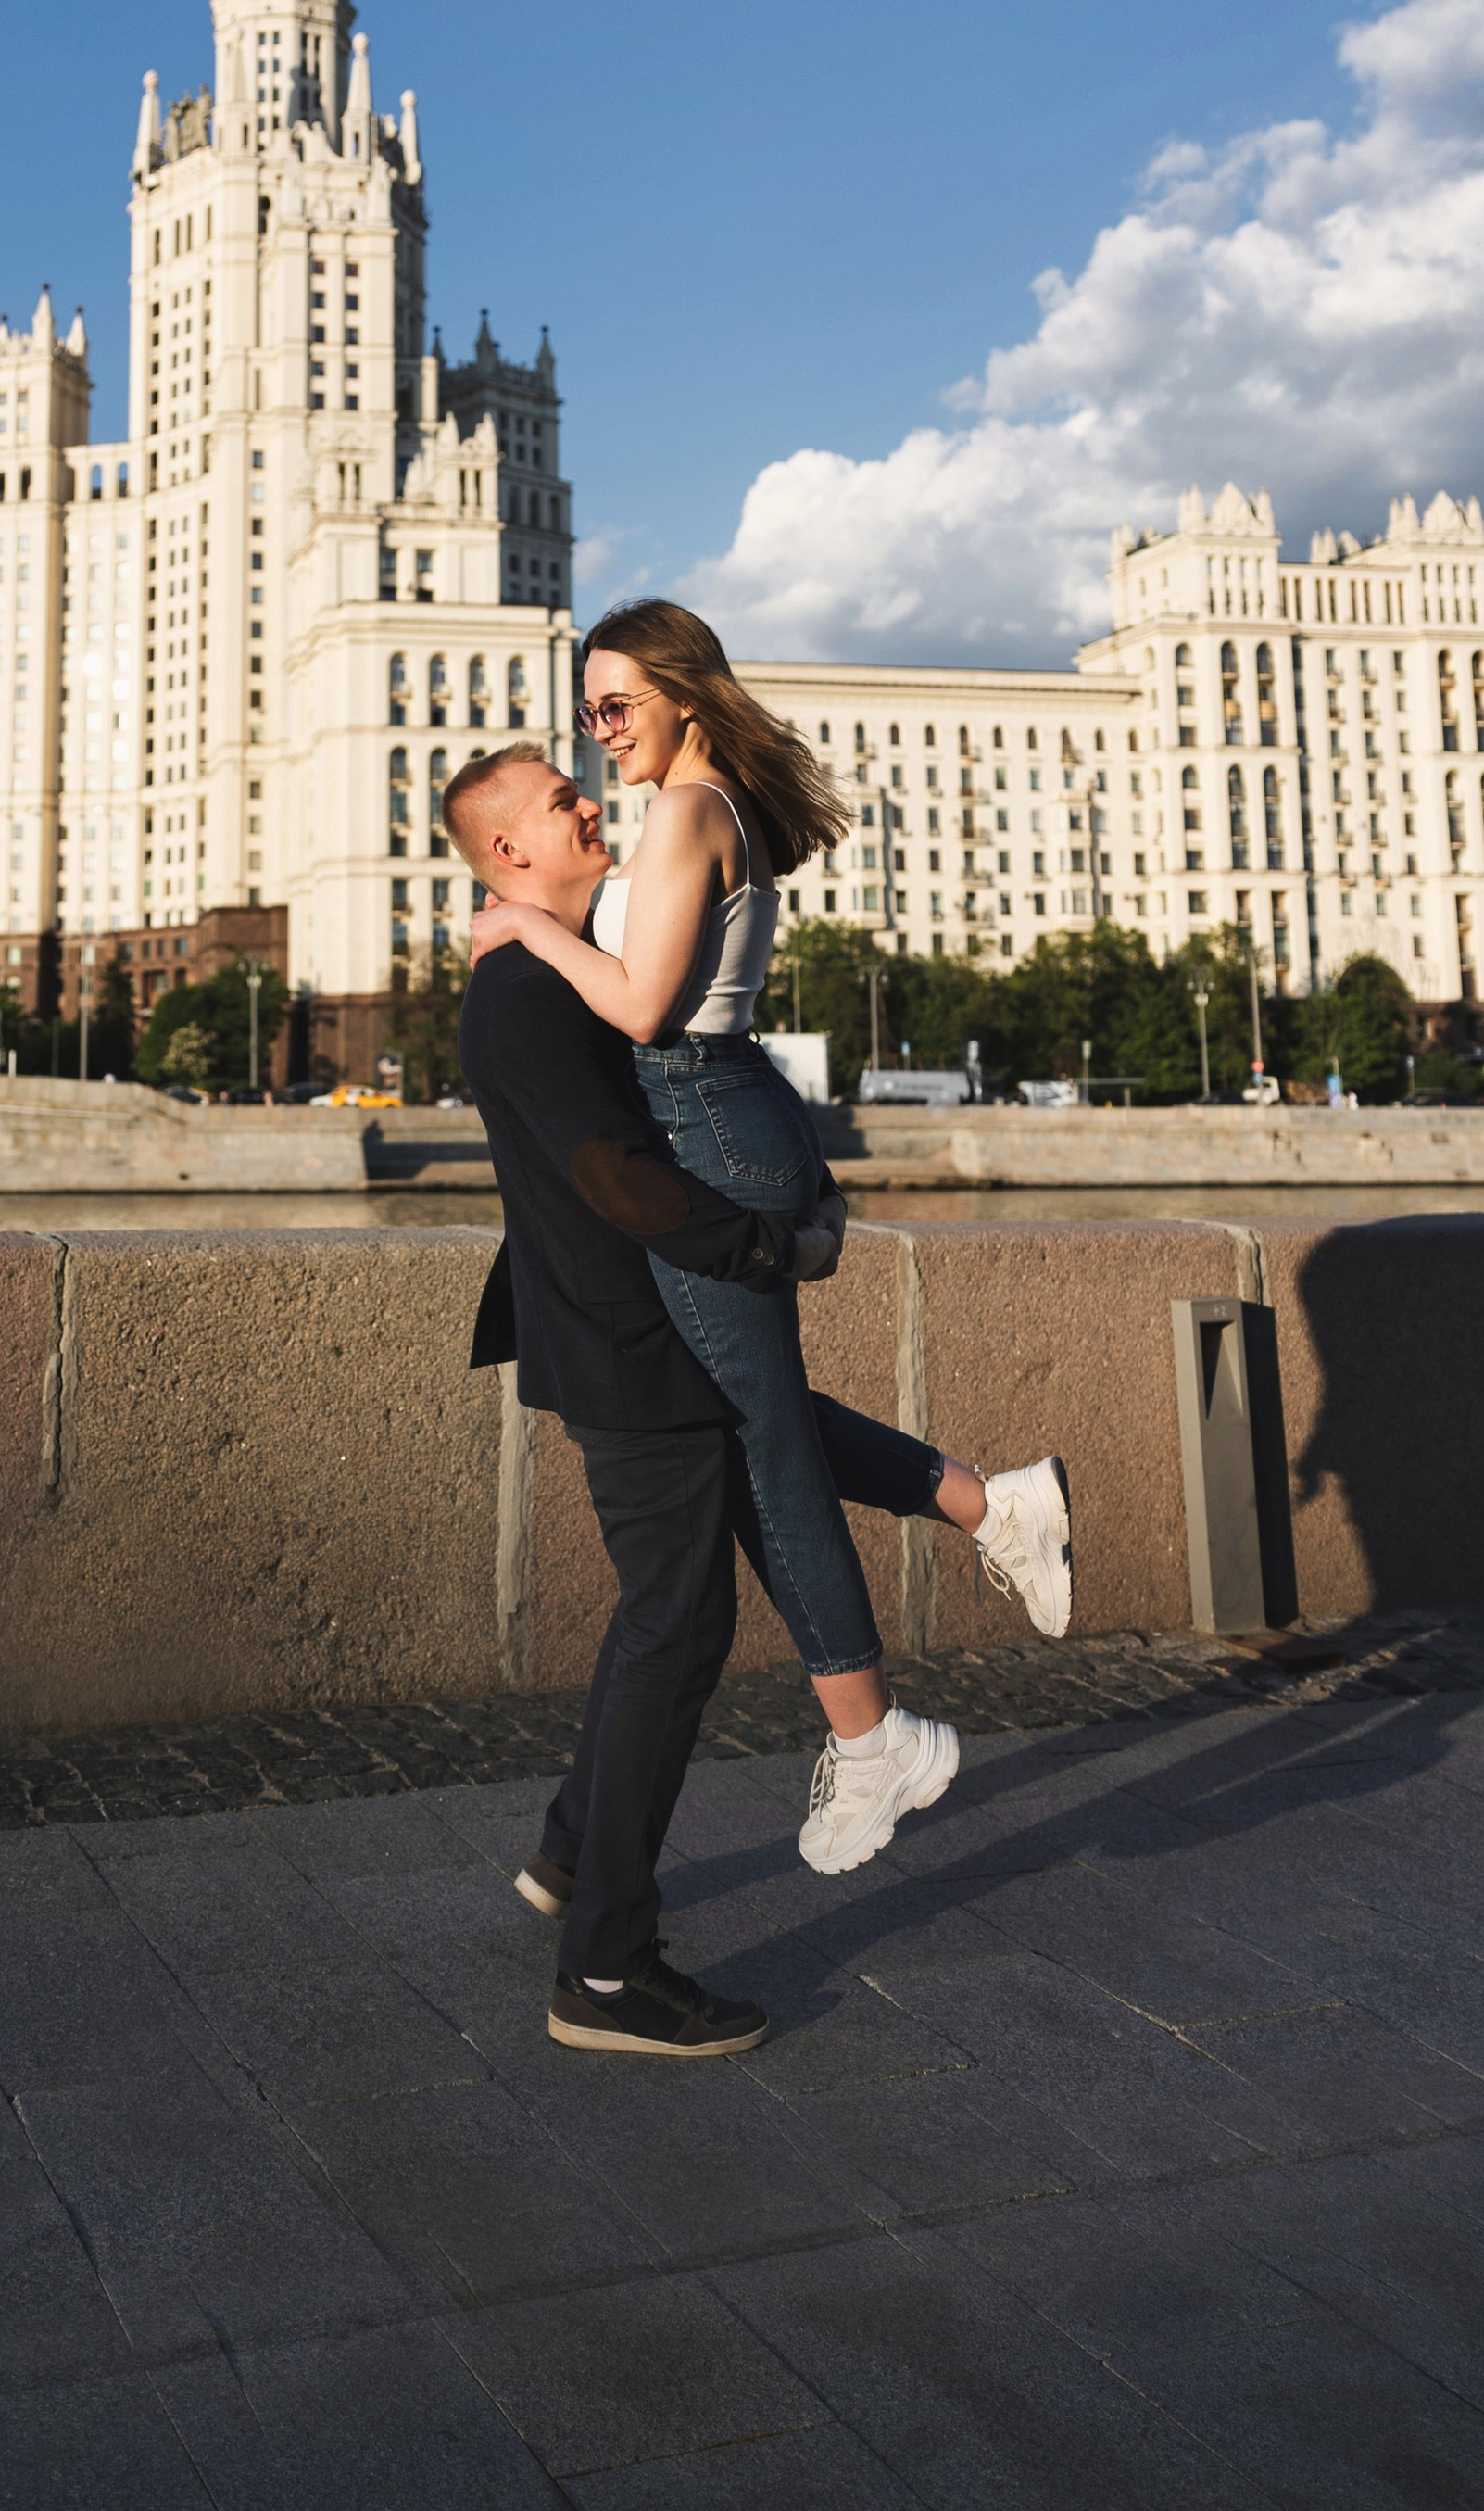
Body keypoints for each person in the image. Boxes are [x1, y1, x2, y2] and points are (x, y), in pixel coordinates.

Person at [466, 610, 1074, 1878]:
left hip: (702, 1117)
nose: (600, 732)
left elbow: (640, 1006)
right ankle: (989, 1505)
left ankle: (876, 1739)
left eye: (618, 704)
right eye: (589, 711)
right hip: (721, 1108)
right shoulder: (705, 799)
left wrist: (528, 929)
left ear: (683, 696)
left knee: (762, 1442)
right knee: (759, 1411)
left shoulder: (687, 814)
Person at [451, 740, 841, 2060]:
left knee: (682, 1587)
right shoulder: (525, 994)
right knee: (677, 1620)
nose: (584, 799)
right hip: (625, 1340)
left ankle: (572, 1856)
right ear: (510, 853)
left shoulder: (544, 974)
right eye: (560, 800)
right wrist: (762, 1248)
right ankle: (607, 1973)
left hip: (620, 1333)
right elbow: (616, 1174)